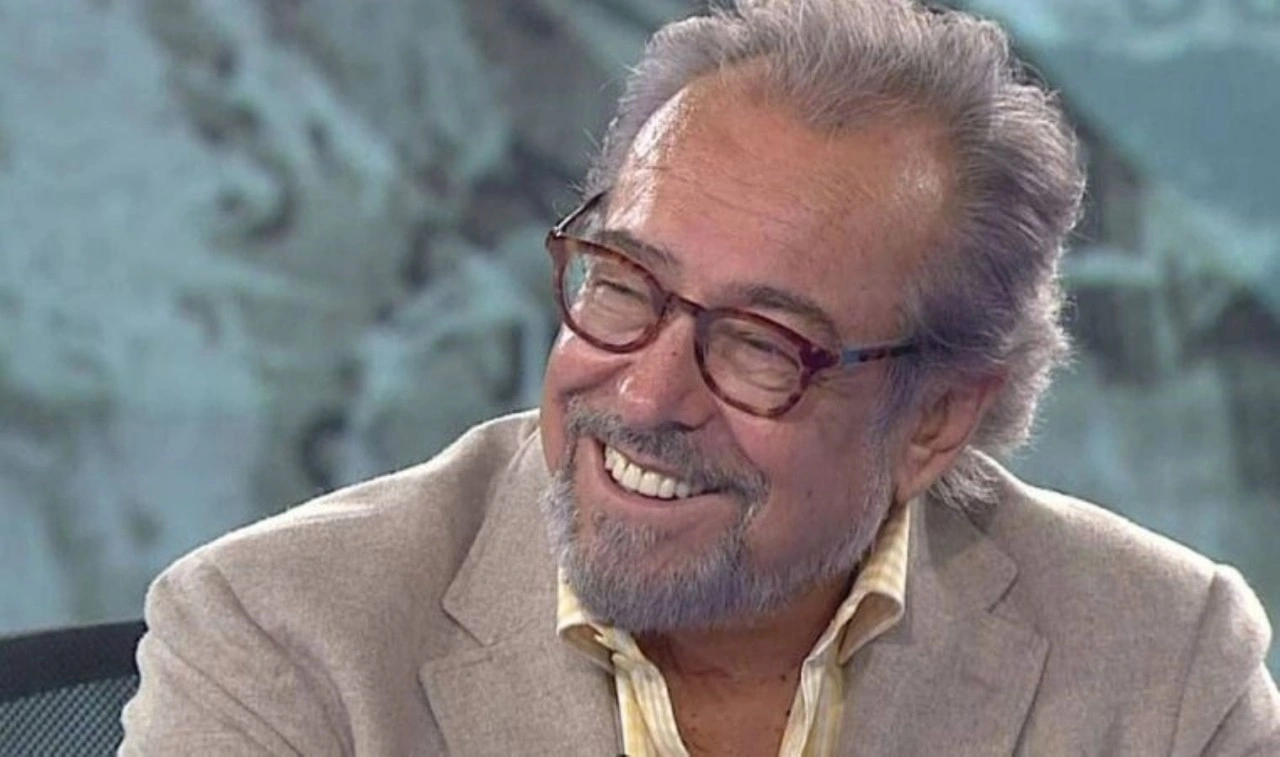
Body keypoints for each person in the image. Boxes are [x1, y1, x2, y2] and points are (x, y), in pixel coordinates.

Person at [119, 1, 1279, 754]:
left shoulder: (1159, 660)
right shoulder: (282, 637)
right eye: (624, 283)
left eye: (761, 345)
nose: (645, 396)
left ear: (934, 419)